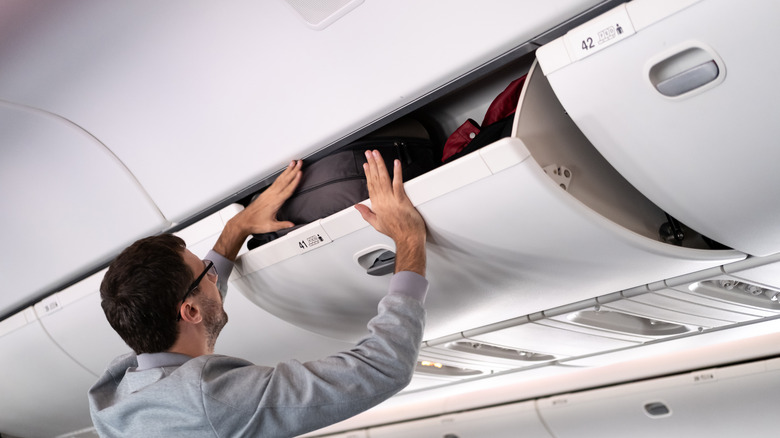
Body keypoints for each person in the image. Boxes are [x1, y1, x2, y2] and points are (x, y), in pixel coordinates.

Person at [88, 150, 428, 437]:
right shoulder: (211, 399)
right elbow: (384, 368)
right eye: (206, 272)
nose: (213, 273)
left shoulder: (119, 395)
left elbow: (197, 298)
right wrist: (409, 240)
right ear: (189, 312)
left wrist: (237, 228)